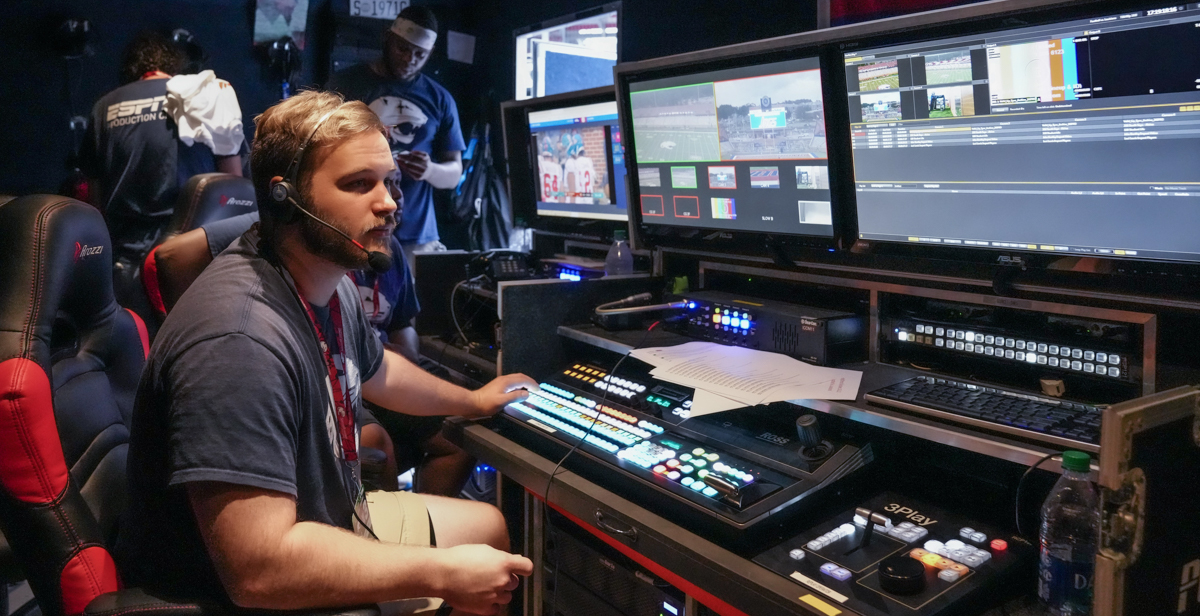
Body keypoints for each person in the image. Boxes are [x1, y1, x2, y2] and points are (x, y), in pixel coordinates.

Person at [116, 90, 534, 614]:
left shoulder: (327, 280)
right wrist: (444, 573)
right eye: (358, 184)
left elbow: (378, 372)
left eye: (390, 183)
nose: (387, 202)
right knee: (466, 567)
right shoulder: (238, 341)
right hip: (231, 584)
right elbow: (259, 571)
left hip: (321, 515)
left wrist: (472, 400)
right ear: (283, 198)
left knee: (489, 528)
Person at [81, 31, 245, 306]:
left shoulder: (103, 107)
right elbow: (233, 184)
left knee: (137, 340)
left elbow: (94, 196)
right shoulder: (205, 96)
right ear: (175, 66)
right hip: (193, 252)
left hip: (124, 257)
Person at [328, 6, 464, 269]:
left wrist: (430, 170)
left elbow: (454, 173)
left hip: (417, 234)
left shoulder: (440, 99)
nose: (410, 59)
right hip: (358, 226)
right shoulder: (346, 84)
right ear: (387, 39)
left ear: (430, 54)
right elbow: (324, 153)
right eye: (403, 49)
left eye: (419, 54)